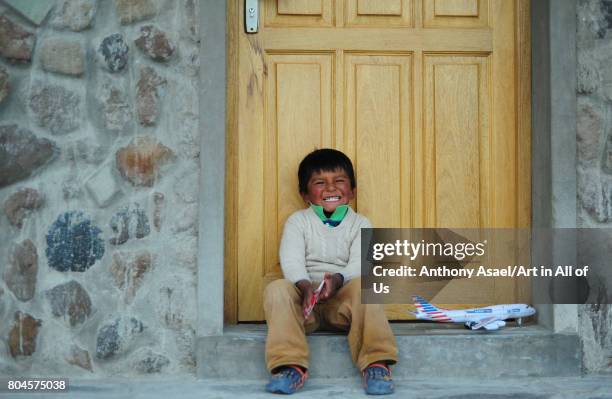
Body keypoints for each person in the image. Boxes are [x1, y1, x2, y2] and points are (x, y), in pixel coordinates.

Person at [264, 148, 398, 395]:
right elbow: (291, 261)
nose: (330, 189)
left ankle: (376, 362)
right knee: (277, 289)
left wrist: (337, 279)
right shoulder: (298, 222)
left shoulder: (360, 223)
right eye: (319, 183)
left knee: (367, 285)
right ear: (304, 194)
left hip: (342, 306)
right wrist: (305, 287)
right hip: (306, 306)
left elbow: (361, 263)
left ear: (353, 192)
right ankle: (289, 365)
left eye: (339, 181)